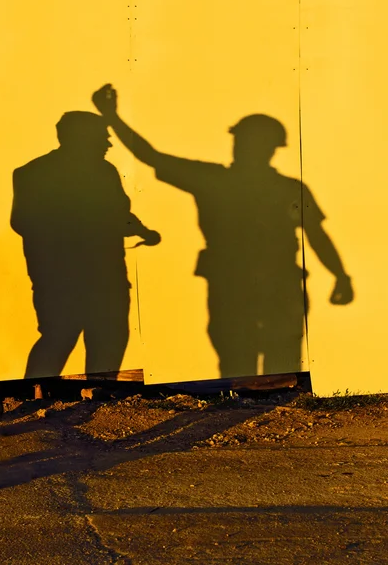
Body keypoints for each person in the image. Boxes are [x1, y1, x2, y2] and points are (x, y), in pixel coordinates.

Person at [92, 84, 354, 377]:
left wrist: (111, 116)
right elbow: (316, 235)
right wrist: (340, 276)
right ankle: (261, 407)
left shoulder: (214, 180)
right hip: (270, 283)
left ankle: (250, 408)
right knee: (269, 359)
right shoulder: (282, 187)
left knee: (242, 358)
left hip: (240, 283)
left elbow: (151, 156)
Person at [11, 110, 160, 378]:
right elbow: (23, 221)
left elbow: (118, 213)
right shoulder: (32, 174)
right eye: (102, 137)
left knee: (99, 336)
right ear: (80, 139)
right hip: (65, 276)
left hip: (94, 274)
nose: (108, 143)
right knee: (63, 336)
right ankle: (34, 395)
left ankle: (90, 391)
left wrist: (140, 230)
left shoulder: (102, 171)